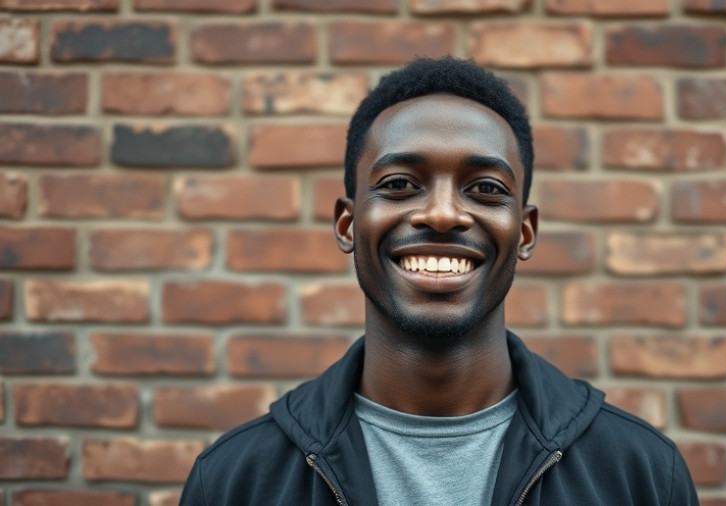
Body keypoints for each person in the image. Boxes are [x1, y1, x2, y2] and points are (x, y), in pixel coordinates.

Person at [179, 56, 699, 506]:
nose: (444, 214)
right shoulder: (234, 481)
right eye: (400, 184)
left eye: (486, 188)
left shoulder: (641, 475)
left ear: (524, 231)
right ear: (347, 224)